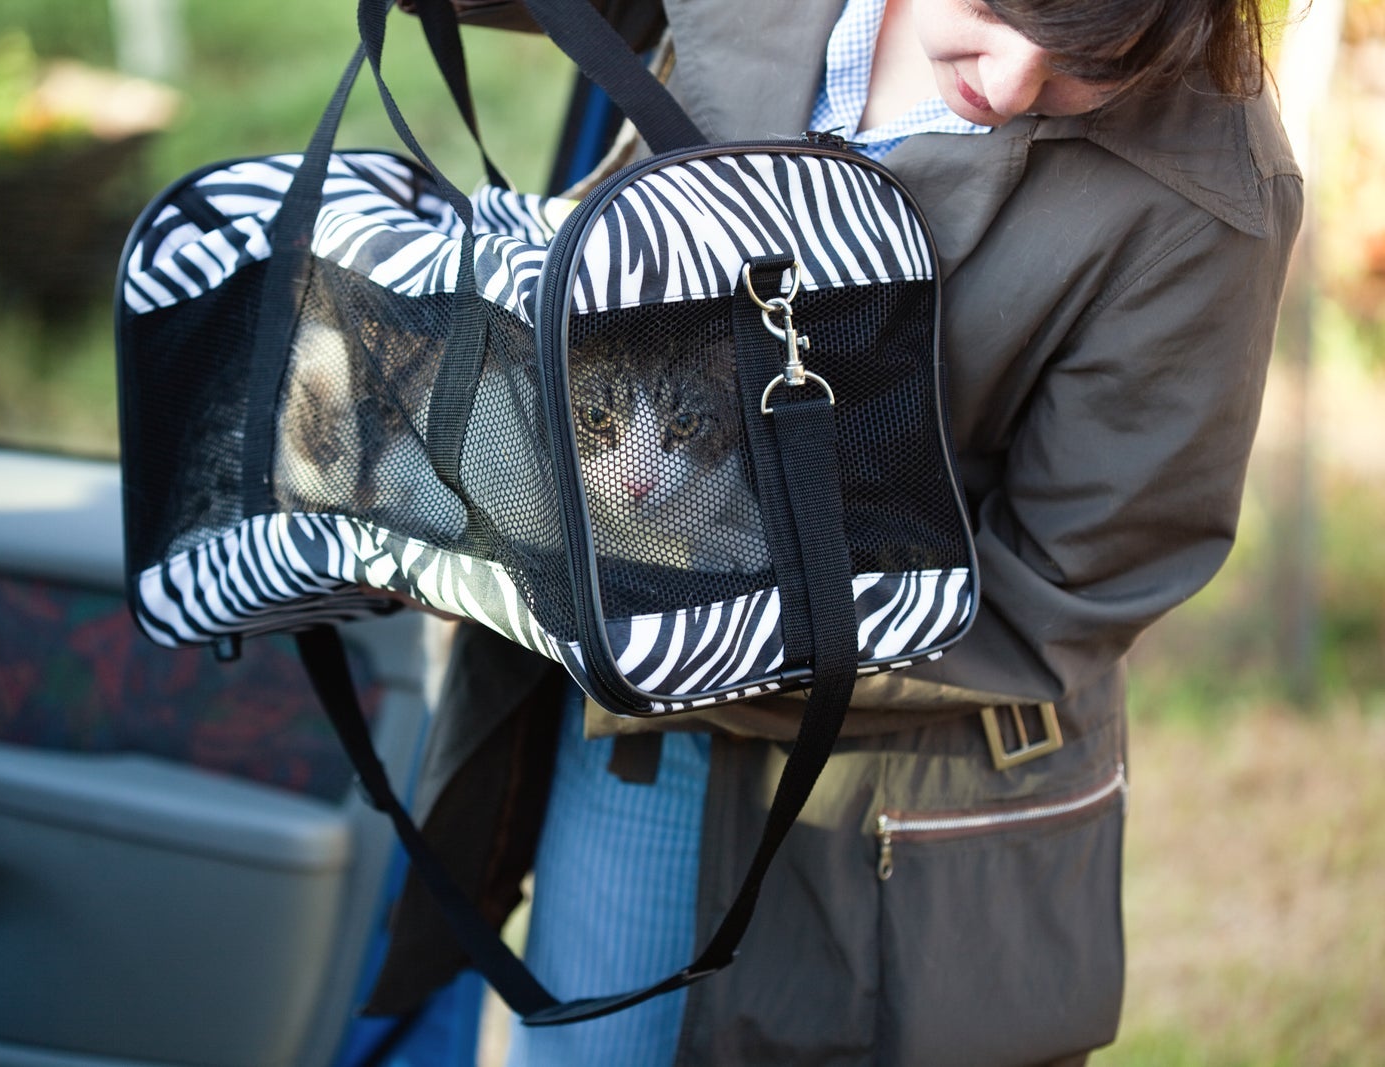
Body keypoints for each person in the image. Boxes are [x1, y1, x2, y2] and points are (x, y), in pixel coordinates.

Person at [365, 0, 1303, 1063]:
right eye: (992, 11)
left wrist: (687, 619)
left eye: (1096, 62)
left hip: (891, 811)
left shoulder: (1211, 196)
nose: (1005, 84)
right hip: (628, 760)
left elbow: (1062, 589)